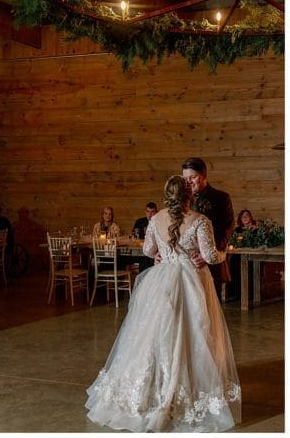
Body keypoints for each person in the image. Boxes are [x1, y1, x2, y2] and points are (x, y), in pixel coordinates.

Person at [85, 176, 240, 432]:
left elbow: (147, 250)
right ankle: (185, 385)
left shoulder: (155, 219)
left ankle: (154, 386)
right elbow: (211, 256)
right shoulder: (200, 221)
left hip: (161, 281)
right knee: (193, 334)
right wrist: (224, 253)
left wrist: (161, 254)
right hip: (191, 280)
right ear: (189, 195)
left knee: (156, 335)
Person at [182, 157, 234, 298]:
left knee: (209, 307)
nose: (188, 182)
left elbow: (226, 230)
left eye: (192, 177)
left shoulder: (221, 198)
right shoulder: (180, 199)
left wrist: (207, 255)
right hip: (183, 264)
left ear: (204, 176)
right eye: (185, 178)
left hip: (209, 263)